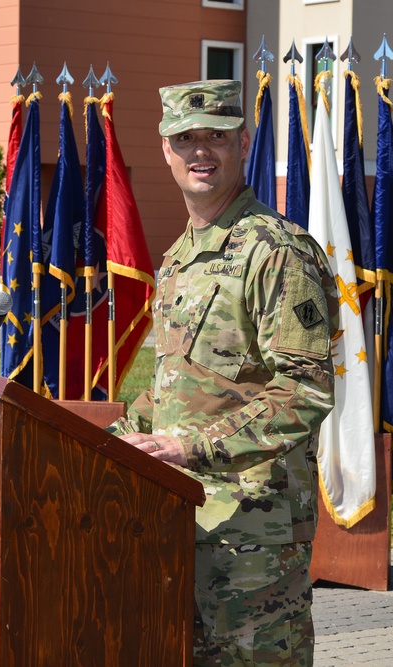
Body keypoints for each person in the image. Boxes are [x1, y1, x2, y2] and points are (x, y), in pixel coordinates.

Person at [109, 79, 338, 666]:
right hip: (180, 520)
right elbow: (180, 387)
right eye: (186, 138)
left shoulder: (277, 251)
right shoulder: (181, 257)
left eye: (216, 136)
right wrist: (106, 441)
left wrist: (190, 449)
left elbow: (305, 391)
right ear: (165, 150)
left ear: (243, 141)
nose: (200, 151)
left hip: (252, 538)